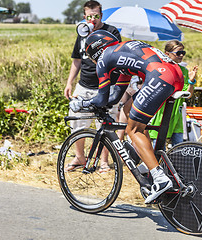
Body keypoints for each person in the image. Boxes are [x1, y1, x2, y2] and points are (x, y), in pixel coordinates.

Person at [69, 30, 185, 204]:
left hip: (160, 76)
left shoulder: (104, 58)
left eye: (90, 55)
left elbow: (101, 99)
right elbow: (115, 96)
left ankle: (160, 178)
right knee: (130, 109)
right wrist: (100, 101)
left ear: (95, 50)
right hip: (174, 75)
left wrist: (82, 103)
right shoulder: (122, 54)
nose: (92, 61)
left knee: (133, 130)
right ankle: (150, 163)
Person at [64, 0, 121, 172]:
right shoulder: (82, 33)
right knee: (77, 122)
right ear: (84, 17)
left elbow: (117, 57)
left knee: (105, 126)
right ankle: (80, 158)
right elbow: (77, 60)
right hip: (84, 85)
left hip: (105, 86)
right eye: (89, 16)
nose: (93, 20)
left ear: (101, 15)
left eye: (96, 16)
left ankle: (103, 162)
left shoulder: (111, 32)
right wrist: (69, 83)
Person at [149, 40, 198, 147]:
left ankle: (175, 164)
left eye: (183, 53)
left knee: (178, 148)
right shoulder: (160, 68)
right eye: (178, 53)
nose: (181, 56)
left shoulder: (184, 71)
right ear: (167, 54)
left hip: (176, 113)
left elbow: (188, 94)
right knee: (157, 146)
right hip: (161, 112)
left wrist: (191, 81)